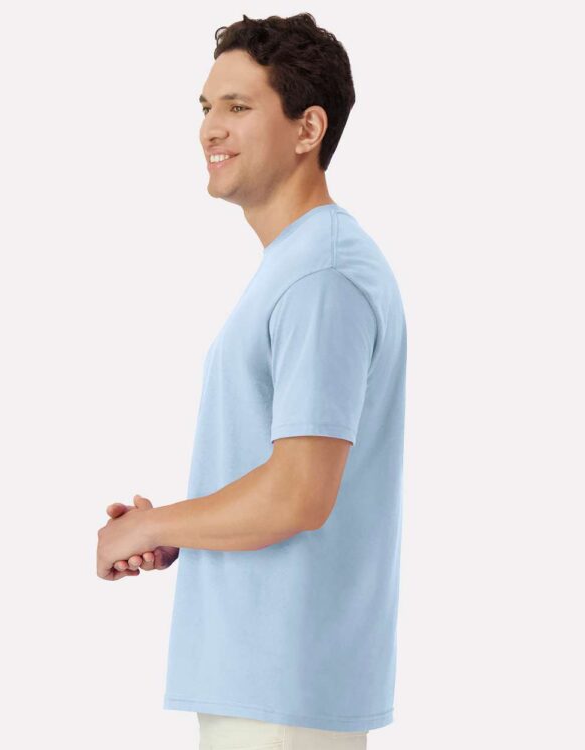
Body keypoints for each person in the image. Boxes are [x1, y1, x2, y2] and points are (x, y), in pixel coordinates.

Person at [98, 12, 407, 750]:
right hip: (264, 686)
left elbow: (300, 493)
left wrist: (151, 526)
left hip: (280, 695)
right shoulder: (298, 266)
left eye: (238, 106)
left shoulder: (322, 275)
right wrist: (183, 528)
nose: (212, 128)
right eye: (207, 107)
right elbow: (285, 479)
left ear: (308, 129)